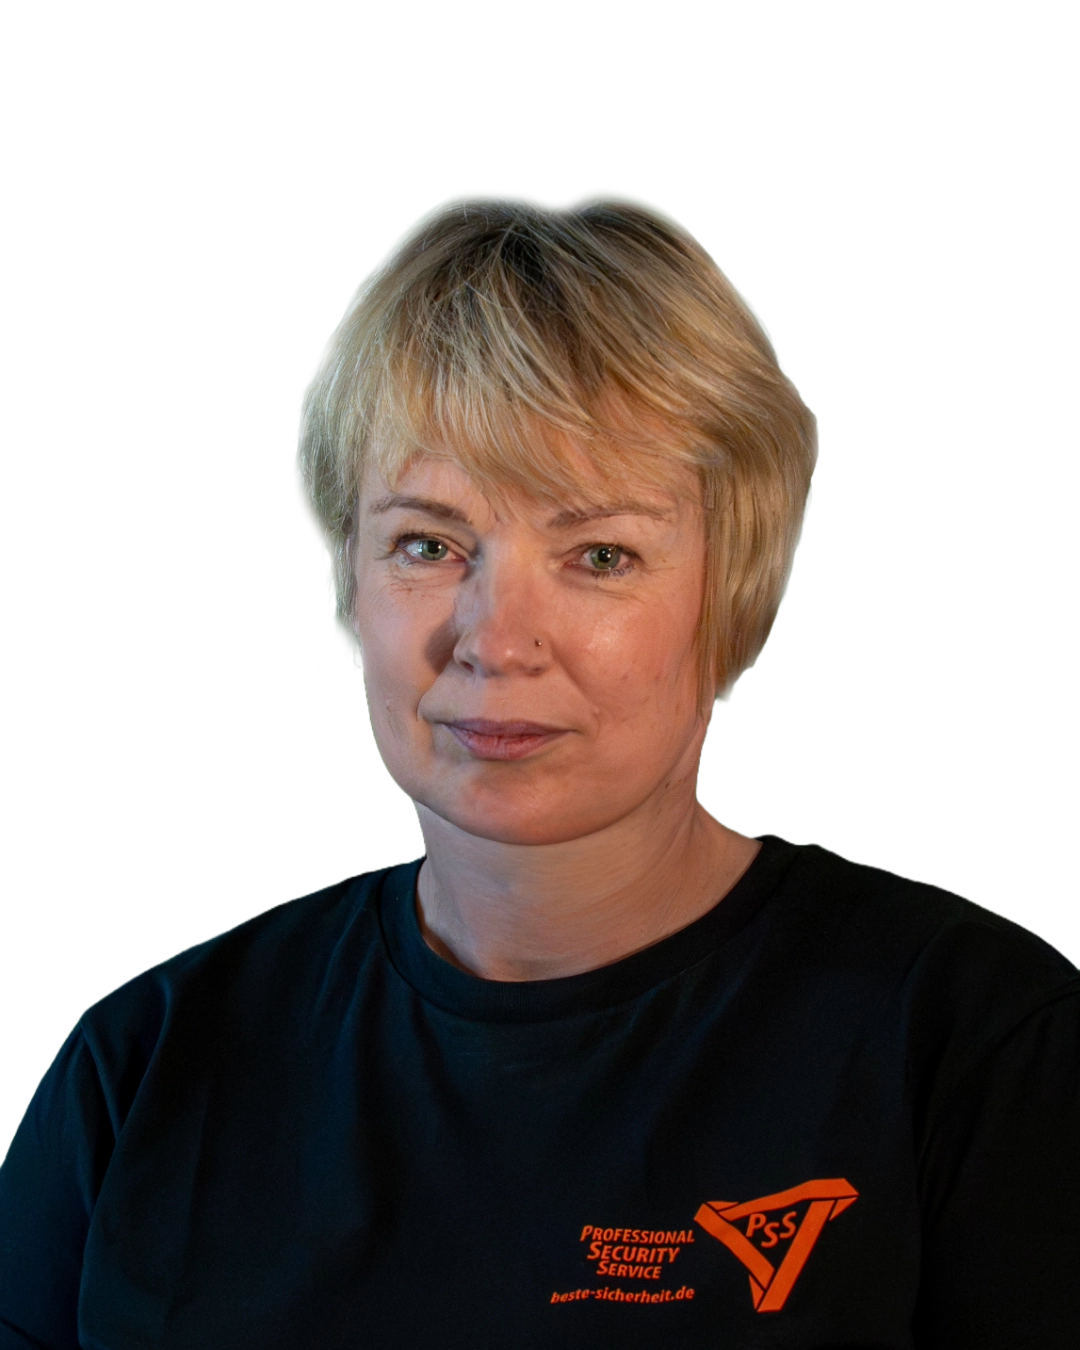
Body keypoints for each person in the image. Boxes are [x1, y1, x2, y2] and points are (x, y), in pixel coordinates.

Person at [1, 187, 1076, 1348]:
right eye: (427, 543)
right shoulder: (141, 1067)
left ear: (733, 589)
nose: (496, 638)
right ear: (346, 581)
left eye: (600, 553)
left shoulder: (979, 1044)